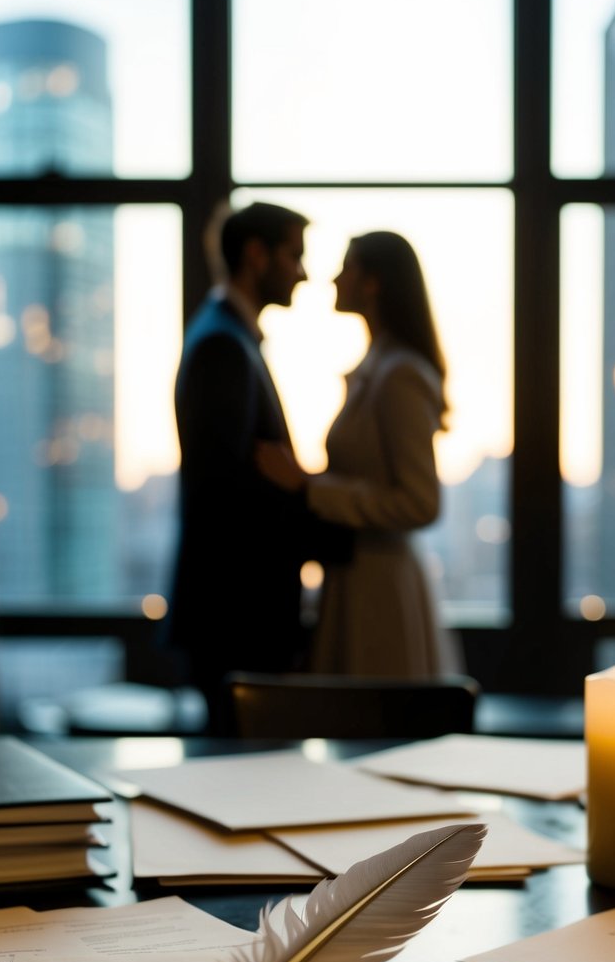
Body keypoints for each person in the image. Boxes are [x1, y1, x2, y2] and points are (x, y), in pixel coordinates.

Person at [165, 201, 351, 729]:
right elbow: (225, 492)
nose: (304, 272)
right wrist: (336, 537)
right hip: (237, 617)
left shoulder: (226, 336)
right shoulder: (222, 346)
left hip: (235, 615)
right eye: (294, 255)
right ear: (255, 254)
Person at [256, 230, 456, 678]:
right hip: (359, 580)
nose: (331, 279)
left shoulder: (399, 375)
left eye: (347, 266)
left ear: (373, 282)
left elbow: (420, 502)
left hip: (380, 593)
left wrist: (310, 486)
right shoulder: (380, 369)